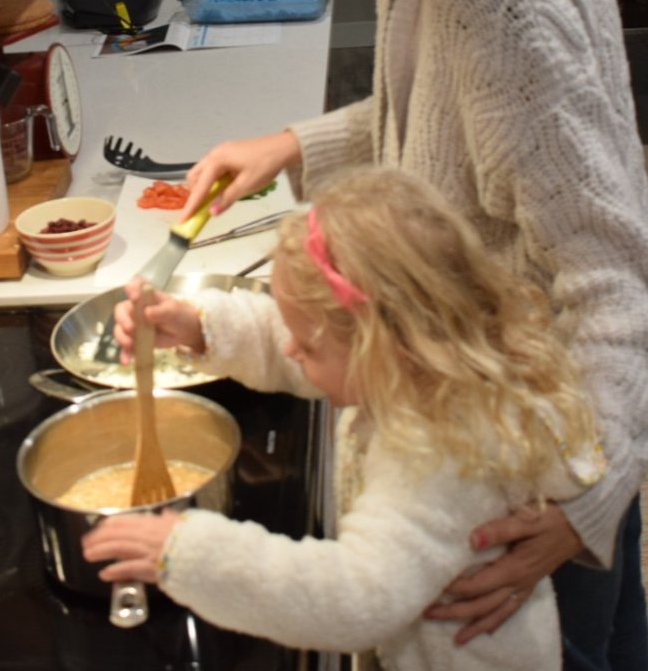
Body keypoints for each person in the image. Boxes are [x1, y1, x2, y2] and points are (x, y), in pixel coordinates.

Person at [163, 0, 648, 667]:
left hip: (527, 481)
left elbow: (607, 268)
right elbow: (452, 129)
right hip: (512, 435)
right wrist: (294, 143)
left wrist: (587, 503)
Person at [82, 167, 605, 669]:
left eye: (305, 344)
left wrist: (190, 553)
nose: (291, 348)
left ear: (384, 346)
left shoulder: (437, 452)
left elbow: (358, 599)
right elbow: (308, 347)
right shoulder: (418, 365)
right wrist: (200, 327)